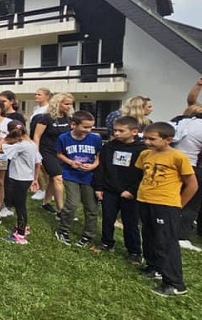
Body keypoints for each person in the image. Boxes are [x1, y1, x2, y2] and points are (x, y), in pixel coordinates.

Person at [136, 122, 198, 296]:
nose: (147, 142)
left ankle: (175, 283)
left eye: (152, 139)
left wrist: (178, 205)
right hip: (145, 200)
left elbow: (192, 185)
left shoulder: (178, 157)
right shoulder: (145, 154)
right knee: (148, 235)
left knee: (166, 242)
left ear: (168, 139)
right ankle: (154, 267)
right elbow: (143, 175)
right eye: (145, 138)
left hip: (166, 204)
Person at [91, 116, 147, 263]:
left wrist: (132, 190)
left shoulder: (142, 150)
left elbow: (144, 175)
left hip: (130, 193)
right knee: (108, 218)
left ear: (134, 131)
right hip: (110, 190)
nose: (116, 133)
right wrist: (99, 187)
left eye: (121, 131)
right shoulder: (109, 146)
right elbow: (101, 167)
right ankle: (107, 242)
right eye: (115, 130)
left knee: (131, 222)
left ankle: (134, 251)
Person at [54, 111, 103, 248]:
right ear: (74, 125)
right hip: (71, 174)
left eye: (91, 127)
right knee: (72, 204)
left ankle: (88, 235)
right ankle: (63, 231)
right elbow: (59, 154)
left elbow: (99, 155)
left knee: (91, 208)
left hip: (89, 176)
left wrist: (94, 165)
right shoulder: (63, 138)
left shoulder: (95, 138)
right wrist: (70, 163)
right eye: (85, 127)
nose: (88, 130)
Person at [0, 121, 41, 245]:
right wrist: (35, 179)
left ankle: (20, 235)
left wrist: (7, 139)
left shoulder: (20, 145)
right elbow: (38, 162)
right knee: (20, 204)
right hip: (26, 177)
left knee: (20, 206)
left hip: (19, 178)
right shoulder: (32, 144)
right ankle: (23, 227)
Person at [32, 93, 74, 215]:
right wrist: (36, 154)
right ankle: (61, 210)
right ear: (58, 103)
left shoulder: (68, 118)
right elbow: (37, 136)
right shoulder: (46, 118)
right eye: (66, 104)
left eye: (71, 104)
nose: (69, 106)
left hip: (61, 152)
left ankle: (46, 203)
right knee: (58, 178)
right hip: (47, 151)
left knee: (52, 178)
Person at [172, 103, 202, 250]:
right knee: (191, 202)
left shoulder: (178, 121)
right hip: (191, 165)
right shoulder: (199, 126)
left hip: (170, 163)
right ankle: (181, 235)